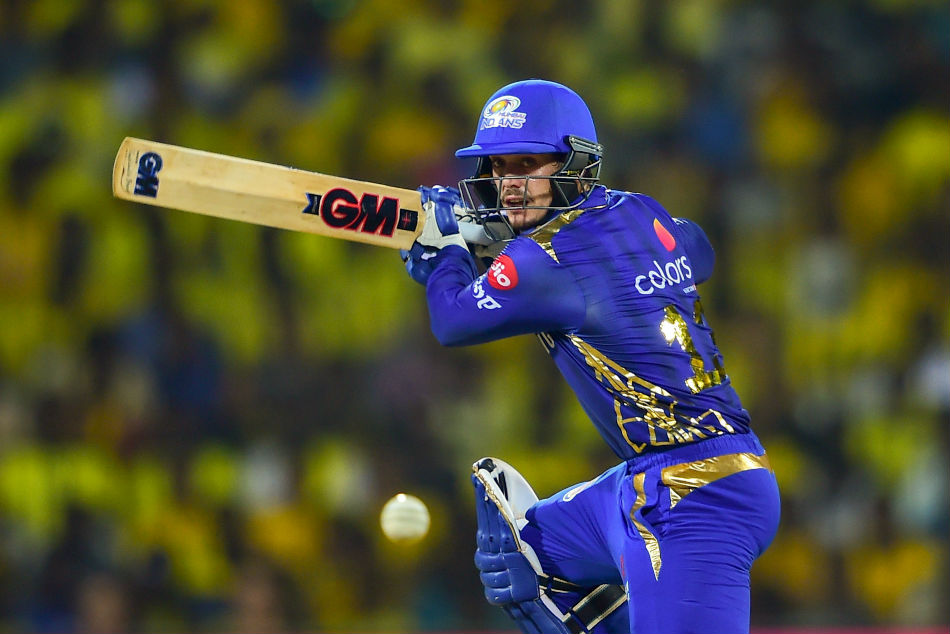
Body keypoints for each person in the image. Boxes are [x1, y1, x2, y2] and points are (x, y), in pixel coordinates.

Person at [402, 79, 781, 634]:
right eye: (500, 167)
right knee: (518, 558)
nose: (509, 184)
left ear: (576, 163)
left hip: (695, 503)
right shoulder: (641, 211)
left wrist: (448, 255)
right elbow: (698, 248)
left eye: (528, 164)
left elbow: (452, 321)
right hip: (658, 481)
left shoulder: (543, 260)